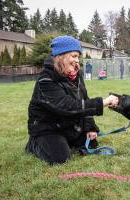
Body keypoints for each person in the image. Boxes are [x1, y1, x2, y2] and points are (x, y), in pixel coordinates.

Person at [25, 35, 118, 165]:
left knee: (91, 144)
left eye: (78, 57)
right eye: (74, 56)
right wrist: (103, 102)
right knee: (61, 158)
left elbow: (84, 99)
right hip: (47, 127)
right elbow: (67, 106)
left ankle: (64, 140)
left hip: (67, 124)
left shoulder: (76, 74)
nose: (77, 61)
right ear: (61, 56)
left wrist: (90, 127)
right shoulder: (45, 80)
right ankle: (34, 143)